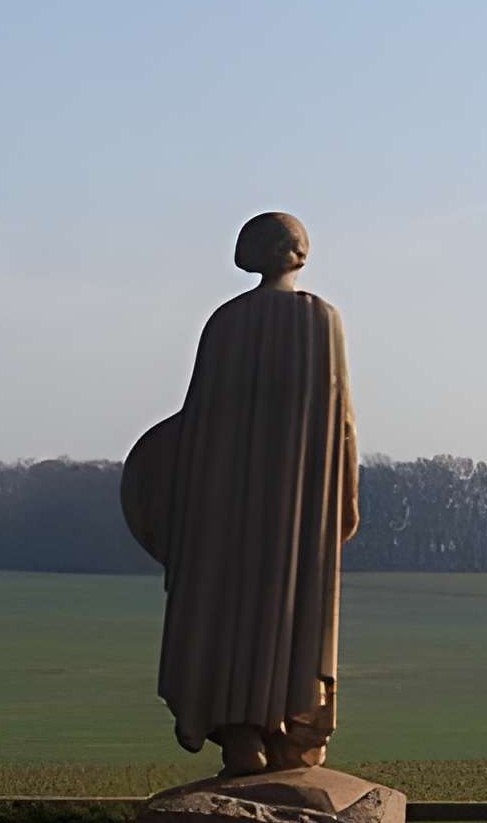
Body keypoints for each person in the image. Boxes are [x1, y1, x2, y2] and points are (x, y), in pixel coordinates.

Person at [120, 213, 358, 775]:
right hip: (296, 510)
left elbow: (199, 420)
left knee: (228, 610)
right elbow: (338, 419)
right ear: (297, 254)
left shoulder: (226, 322)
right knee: (288, 609)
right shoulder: (320, 320)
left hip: (225, 509)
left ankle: (241, 737)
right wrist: (343, 493)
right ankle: (288, 732)